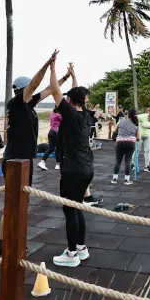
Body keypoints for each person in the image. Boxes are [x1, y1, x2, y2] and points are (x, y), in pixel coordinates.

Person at [0, 52, 73, 260]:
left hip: (24, 160)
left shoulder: (27, 104)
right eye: (27, 90)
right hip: (16, 159)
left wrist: (64, 77)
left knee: (20, 204)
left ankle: (9, 244)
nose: (31, 93)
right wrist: (46, 64)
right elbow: (35, 85)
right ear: (21, 91)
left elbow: (46, 90)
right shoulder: (17, 103)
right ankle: (0, 248)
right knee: (13, 205)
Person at [48, 58, 95, 267]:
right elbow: (77, 94)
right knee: (78, 207)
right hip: (87, 169)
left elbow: (55, 90)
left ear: (69, 100)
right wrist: (73, 75)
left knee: (69, 210)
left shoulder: (68, 113)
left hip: (73, 171)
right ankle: (81, 248)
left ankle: (72, 253)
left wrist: (52, 67)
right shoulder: (86, 116)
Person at [112, 108, 140, 185]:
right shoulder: (136, 124)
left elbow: (115, 131)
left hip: (120, 142)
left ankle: (114, 179)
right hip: (130, 143)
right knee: (128, 161)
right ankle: (126, 180)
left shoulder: (121, 121)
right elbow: (139, 138)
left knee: (118, 161)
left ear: (127, 114)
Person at [38, 105, 62, 171]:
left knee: (51, 148)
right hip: (56, 133)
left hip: (51, 132)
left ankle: (42, 161)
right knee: (57, 148)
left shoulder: (52, 114)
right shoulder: (58, 115)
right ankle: (57, 164)